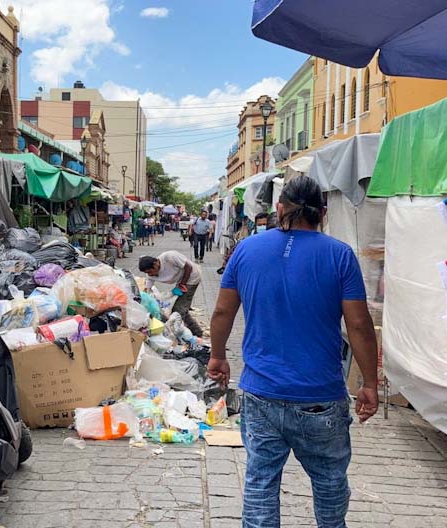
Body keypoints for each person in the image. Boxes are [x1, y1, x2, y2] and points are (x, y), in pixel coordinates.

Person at [208, 176, 379, 528]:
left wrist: (217, 355)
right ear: (323, 213)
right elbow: (359, 326)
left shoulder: (247, 250)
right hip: (319, 396)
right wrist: (370, 384)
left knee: (261, 481)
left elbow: (223, 312)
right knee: (330, 481)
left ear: (279, 208)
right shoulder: (339, 255)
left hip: (261, 393)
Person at [138, 251, 205, 337]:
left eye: (151, 271)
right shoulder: (150, 275)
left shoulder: (169, 257)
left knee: (179, 310)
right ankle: (196, 332)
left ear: (155, 264)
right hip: (181, 279)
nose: (151, 274)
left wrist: (182, 284)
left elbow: (188, 267)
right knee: (179, 308)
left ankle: (186, 335)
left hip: (192, 277)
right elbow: (148, 288)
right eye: (147, 273)